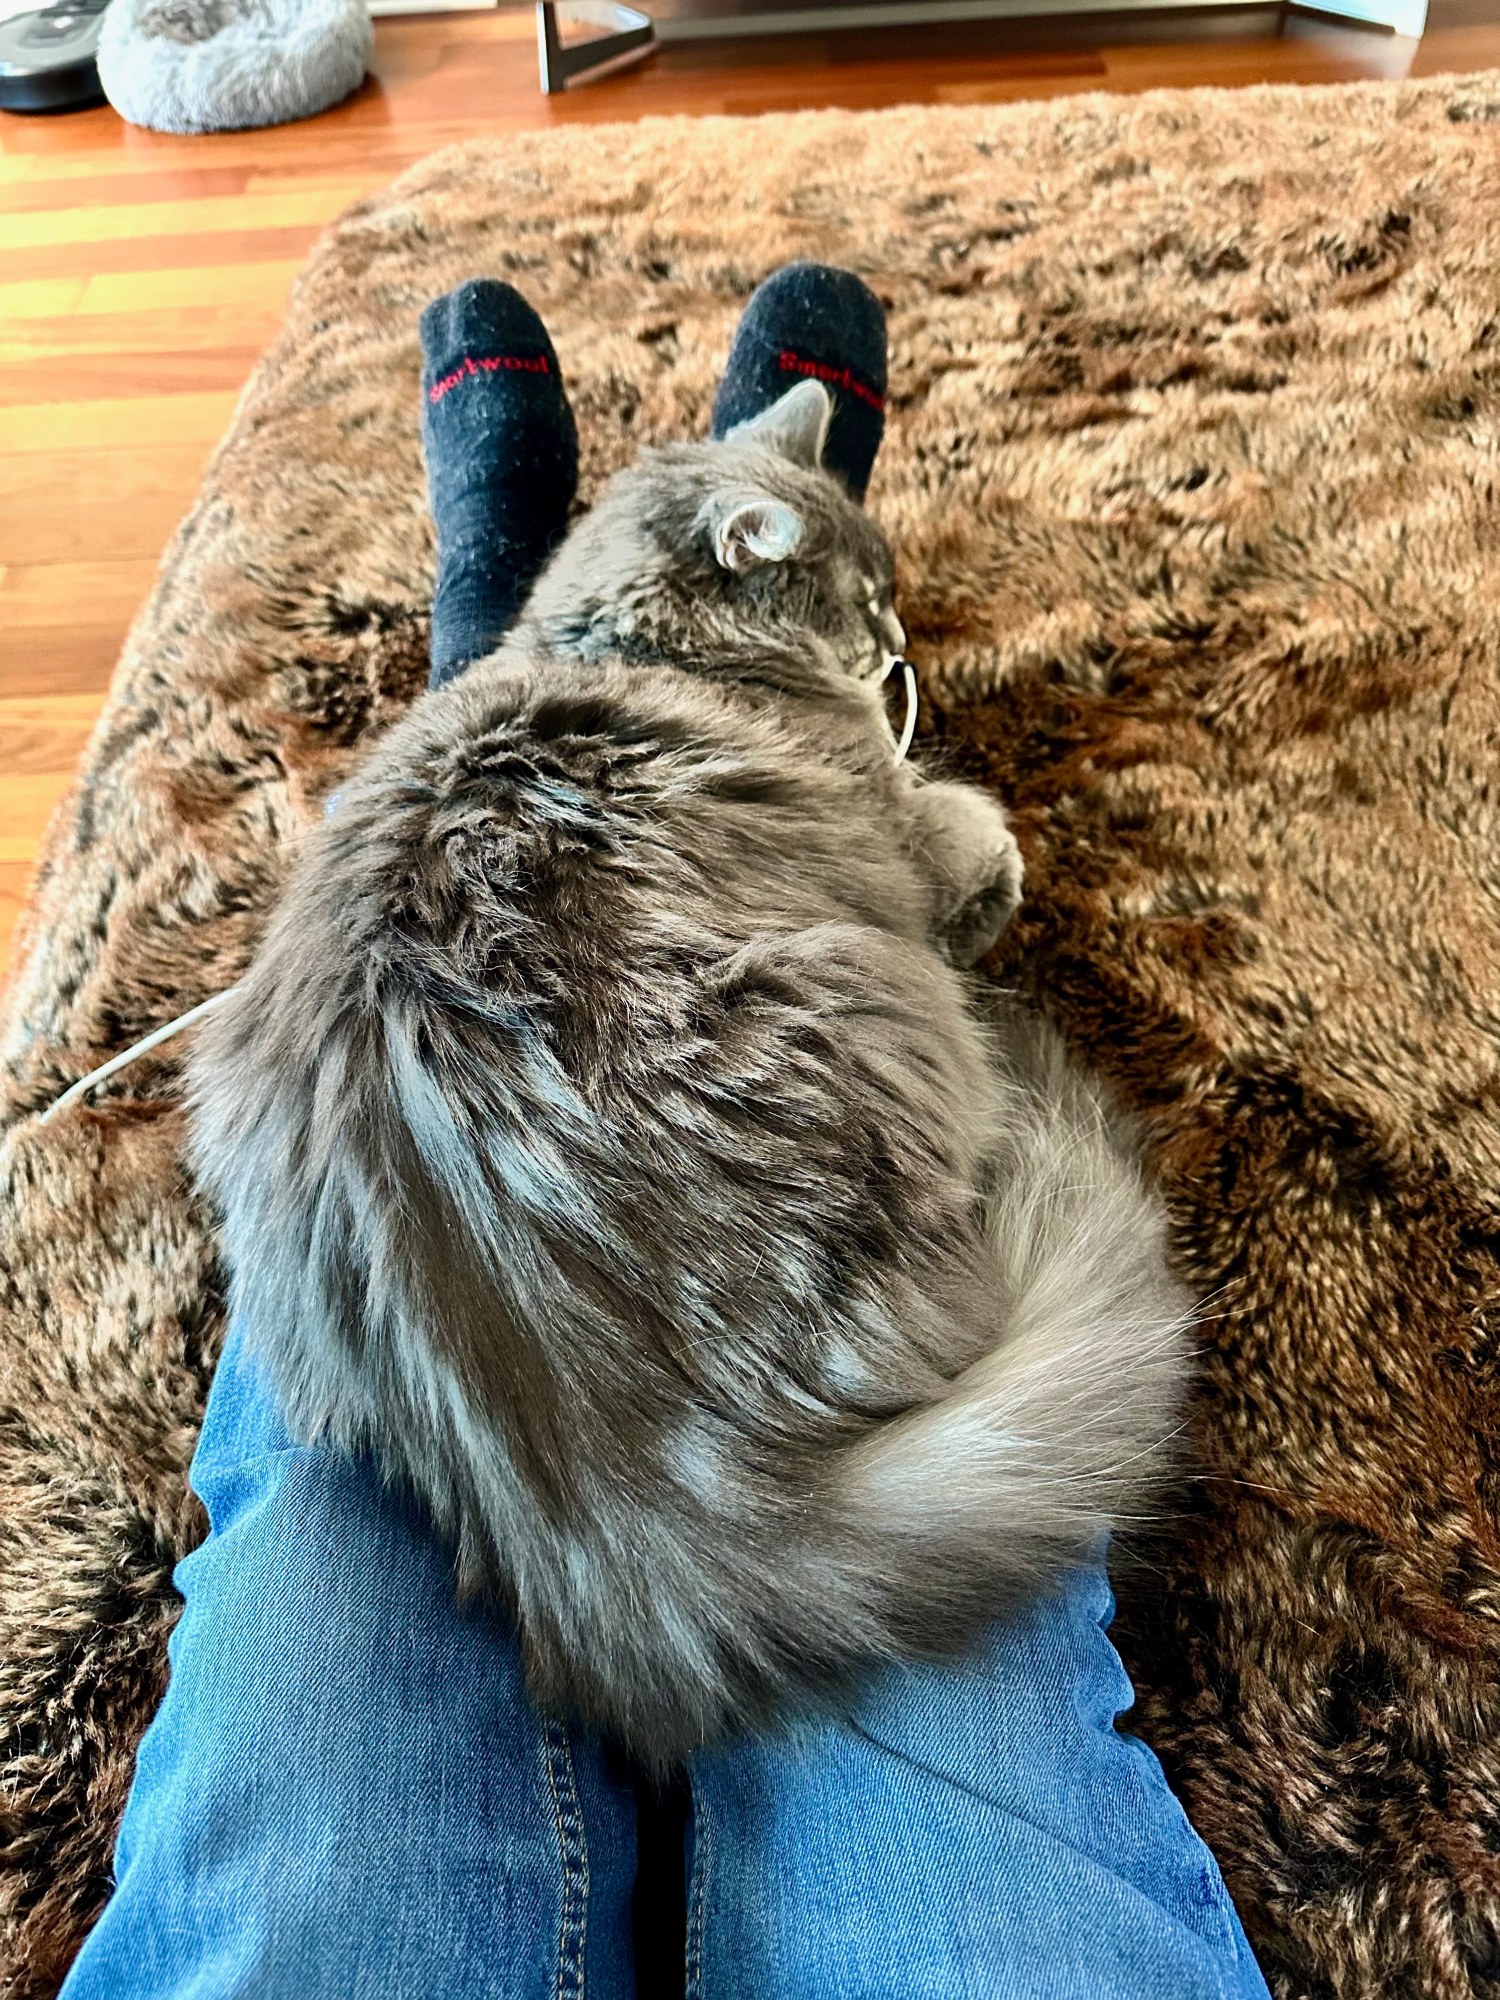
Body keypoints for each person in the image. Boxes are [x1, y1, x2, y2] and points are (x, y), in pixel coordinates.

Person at [59, 265, 1271, 2000]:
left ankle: (506, 658)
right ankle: (650, 672)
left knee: (345, 1400)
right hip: (804, 1387)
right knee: (939, 1684)